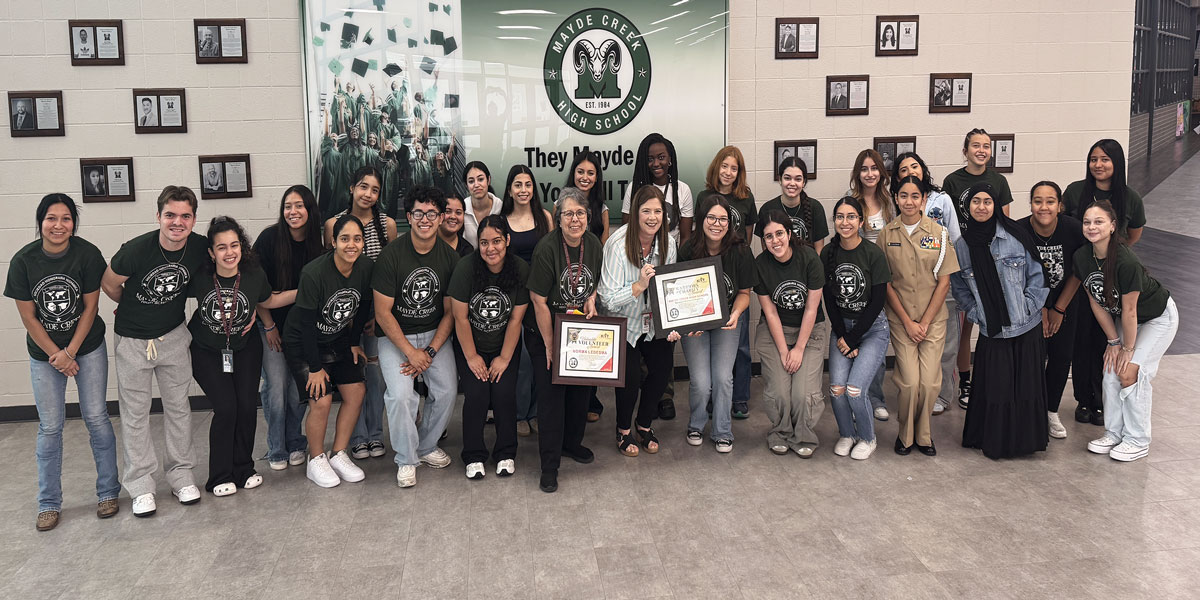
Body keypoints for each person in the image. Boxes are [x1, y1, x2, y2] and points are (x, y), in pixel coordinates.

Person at [6, 194, 118, 531]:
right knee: (50, 426)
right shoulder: (23, 261)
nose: (59, 225)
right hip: (44, 354)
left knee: (96, 417)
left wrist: (71, 352)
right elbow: (29, 318)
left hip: (86, 346)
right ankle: (49, 503)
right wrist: (58, 355)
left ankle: (108, 493)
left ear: (74, 223)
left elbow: (90, 308)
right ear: (40, 222)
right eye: (51, 218)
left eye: (66, 218)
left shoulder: (87, 254)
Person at [101, 186, 207, 517]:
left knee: (179, 408)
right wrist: (133, 308)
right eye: (171, 215)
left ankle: (181, 475)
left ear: (193, 219)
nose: (178, 222)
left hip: (173, 336)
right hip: (132, 340)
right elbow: (108, 284)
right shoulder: (136, 250)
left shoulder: (200, 247)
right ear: (158, 216)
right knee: (135, 414)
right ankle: (141, 485)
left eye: (185, 216)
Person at [951, 184, 1050, 459]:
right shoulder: (962, 246)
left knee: (1025, 386)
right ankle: (996, 441)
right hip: (991, 330)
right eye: (975, 202)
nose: (981, 207)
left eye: (987, 201)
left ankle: (1024, 443)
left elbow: (1038, 276)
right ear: (967, 207)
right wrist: (976, 313)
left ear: (996, 205)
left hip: (1026, 326)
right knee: (997, 387)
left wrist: (1029, 307)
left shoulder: (1016, 235)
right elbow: (958, 287)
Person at [372, 186, 460, 488]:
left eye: (432, 213)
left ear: (440, 218)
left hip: (435, 335)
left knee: (447, 390)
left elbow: (450, 313)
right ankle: (406, 458)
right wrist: (411, 352)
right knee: (400, 396)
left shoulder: (449, 258)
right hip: (396, 337)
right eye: (419, 213)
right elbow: (383, 313)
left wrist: (430, 352)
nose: (425, 219)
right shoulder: (391, 256)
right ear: (409, 217)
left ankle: (424, 446)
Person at [1076, 201, 1176, 462]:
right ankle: (1114, 433)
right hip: (1127, 320)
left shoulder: (1126, 261)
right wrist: (1113, 342)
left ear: (1112, 226)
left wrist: (1128, 349)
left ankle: (1137, 439)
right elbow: (1096, 303)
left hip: (1156, 318)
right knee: (1111, 369)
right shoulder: (1082, 257)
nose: (1092, 227)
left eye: (1098, 222)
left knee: (1131, 371)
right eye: (1087, 222)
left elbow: (1130, 310)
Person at [188, 217, 282, 494]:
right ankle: (219, 476)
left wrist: (306, 291)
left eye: (234, 245)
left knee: (245, 407)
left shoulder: (253, 274)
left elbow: (269, 300)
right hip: (206, 350)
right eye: (221, 247)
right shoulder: (200, 275)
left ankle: (244, 468)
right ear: (211, 252)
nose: (229, 253)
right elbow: (171, 299)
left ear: (242, 247)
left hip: (245, 349)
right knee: (226, 407)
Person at [283, 214, 373, 487]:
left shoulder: (366, 267)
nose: (351, 245)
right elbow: (307, 324)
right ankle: (316, 458)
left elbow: (363, 307)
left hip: (338, 338)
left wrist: (354, 341)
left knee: (356, 392)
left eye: (357, 239)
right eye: (344, 238)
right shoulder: (314, 273)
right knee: (321, 399)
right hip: (302, 342)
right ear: (333, 242)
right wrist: (315, 367)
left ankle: (339, 453)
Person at [1063, 139, 1147, 426]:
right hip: (1081, 274)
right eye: (1093, 159)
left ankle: (1101, 402)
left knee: (1105, 340)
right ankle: (1083, 400)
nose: (1098, 165)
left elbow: (1133, 235)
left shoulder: (1130, 197)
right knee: (1082, 339)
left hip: (1112, 280)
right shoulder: (1075, 191)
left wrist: (1110, 250)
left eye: (1105, 159)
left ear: (1117, 163)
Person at [527, 187, 603, 493]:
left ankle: (571, 444)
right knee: (552, 398)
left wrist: (592, 300)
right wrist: (549, 345)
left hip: (579, 331)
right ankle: (549, 465)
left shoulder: (594, 244)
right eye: (568, 214)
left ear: (588, 216)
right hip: (545, 330)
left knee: (580, 393)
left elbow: (594, 282)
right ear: (558, 219)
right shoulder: (547, 248)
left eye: (580, 213)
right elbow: (538, 299)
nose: (575, 220)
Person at [877, 176, 960, 457]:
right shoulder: (887, 235)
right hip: (901, 320)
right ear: (895, 199)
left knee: (930, 383)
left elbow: (944, 282)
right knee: (910, 382)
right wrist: (909, 322)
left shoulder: (939, 234)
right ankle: (905, 434)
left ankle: (924, 436)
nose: (909, 201)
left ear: (924, 199)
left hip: (933, 320)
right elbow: (885, 283)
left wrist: (924, 322)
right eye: (903, 196)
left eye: (915, 196)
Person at [598, 185, 678, 457]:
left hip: (654, 322)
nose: (653, 217)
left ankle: (643, 424)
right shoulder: (617, 245)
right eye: (646, 211)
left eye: (658, 211)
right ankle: (622, 430)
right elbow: (606, 299)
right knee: (630, 379)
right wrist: (638, 285)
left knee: (662, 368)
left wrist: (675, 323)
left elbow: (671, 290)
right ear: (635, 212)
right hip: (624, 323)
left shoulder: (669, 243)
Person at [449, 215, 530, 478]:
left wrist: (504, 358)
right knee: (477, 395)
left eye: (496, 241)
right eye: (484, 243)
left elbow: (516, 318)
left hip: (504, 344)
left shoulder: (519, 268)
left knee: (504, 394)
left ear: (507, 240)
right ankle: (473, 455)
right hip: (470, 344)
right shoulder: (465, 268)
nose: (490, 248)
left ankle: (506, 452)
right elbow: (459, 317)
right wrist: (472, 357)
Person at [324, 166, 395, 461]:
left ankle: (375, 434)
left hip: (377, 316)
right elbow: (329, 273)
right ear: (351, 188)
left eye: (375, 190)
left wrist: (379, 316)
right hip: (344, 317)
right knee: (353, 377)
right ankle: (357, 437)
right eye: (363, 187)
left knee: (376, 377)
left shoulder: (387, 224)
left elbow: (391, 272)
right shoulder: (333, 224)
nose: (368, 194)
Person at [941, 128, 1014, 412]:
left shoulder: (998, 181)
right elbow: (946, 221)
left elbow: (1005, 223)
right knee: (963, 323)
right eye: (975, 145)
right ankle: (965, 381)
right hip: (962, 258)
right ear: (965, 150)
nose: (981, 150)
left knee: (987, 321)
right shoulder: (953, 181)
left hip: (991, 259)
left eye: (986, 146)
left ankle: (989, 379)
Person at [253, 185, 324, 470]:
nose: (292, 212)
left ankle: (296, 441)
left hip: (303, 330)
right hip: (271, 325)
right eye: (287, 207)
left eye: (299, 206)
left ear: (310, 210)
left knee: (298, 390)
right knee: (276, 388)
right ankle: (277, 448)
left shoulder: (317, 243)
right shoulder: (269, 239)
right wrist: (269, 326)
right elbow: (258, 291)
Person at [678, 196, 754, 453]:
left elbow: (744, 292)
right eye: (711, 217)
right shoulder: (688, 250)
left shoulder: (741, 250)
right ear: (701, 220)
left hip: (727, 322)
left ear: (729, 222)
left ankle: (722, 430)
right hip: (695, 323)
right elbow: (679, 291)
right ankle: (696, 424)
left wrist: (736, 313)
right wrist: (687, 320)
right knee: (701, 381)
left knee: (723, 377)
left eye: (723, 219)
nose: (717, 223)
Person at [891, 152, 962, 417]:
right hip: (908, 287)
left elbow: (955, 238)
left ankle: (942, 394)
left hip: (942, 282)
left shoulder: (941, 199)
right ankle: (914, 394)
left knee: (946, 344)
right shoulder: (897, 204)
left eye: (915, 165)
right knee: (911, 344)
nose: (911, 170)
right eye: (904, 168)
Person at [821, 197, 891, 460]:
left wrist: (853, 338)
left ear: (861, 221)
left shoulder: (873, 254)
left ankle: (867, 437)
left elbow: (878, 301)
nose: (845, 222)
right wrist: (842, 335)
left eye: (851, 217)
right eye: (840, 216)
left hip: (872, 329)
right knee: (837, 388)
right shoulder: (828, 253)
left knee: (855, 389)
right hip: (842, 330)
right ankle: (847, 434)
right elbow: (829, 299)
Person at [1016, 181, 1086, 439]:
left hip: (1066, 302)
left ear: (1059, 205)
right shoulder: (1019, 230)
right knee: (1031, 358)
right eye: (1037, 201)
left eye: (1049, 201)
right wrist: (1041, 309)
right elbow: (1017, 274)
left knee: (1060, 356)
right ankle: (1029, 411)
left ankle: (1050, 410)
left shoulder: (1073, 230)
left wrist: (1058, 308)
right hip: (1028, 304)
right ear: (1031, 203)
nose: (1043, 207)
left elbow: (1079, 270)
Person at [754, 210, 826, 457]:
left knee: (803, 392)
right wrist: (785, 350)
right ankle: (780, 432)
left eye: (779, 234)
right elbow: (770, 312)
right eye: (768, 237)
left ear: (789, 233)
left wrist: (799, 349)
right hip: (775, 332)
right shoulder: (761, 265)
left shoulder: (809, 259)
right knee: (781, 391)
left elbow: (811, 308)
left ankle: (804, 434)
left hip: (810, 330)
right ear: (763, 240)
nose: (775, 241)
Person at [696, 146, 757, 419]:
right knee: (711, 342)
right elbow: (698, 235)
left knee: (740, 342)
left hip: (736, 269)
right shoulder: (704, 196)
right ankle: (711, 399)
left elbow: (747, 235)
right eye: (724, 166)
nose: (728, 172)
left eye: (734, 168)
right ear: (716, 166)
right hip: (707, 271)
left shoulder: (746, 198)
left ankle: (740, 397)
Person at [501, 165, 553, 436]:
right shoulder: (502, 218)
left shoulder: (544, 217)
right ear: (509, 189)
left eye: (528, 184)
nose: (523, 190)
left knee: (542, 355)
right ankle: (520, 414)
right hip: (514, 296)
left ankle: (536, 411)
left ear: (534, 188)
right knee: (519, 360)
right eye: (518, 184)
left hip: (542, 298)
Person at [848, 148, 894, 421]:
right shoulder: (852, 202)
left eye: (874, 168)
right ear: (858, 174)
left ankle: (875, 396)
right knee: (860, 335)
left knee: (877, 340)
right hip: (860, 280)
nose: (869, 174)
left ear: (881, 172)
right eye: (864, 169)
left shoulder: (891, 202)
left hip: (886, 278)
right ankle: (858, 396)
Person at [621, 133, 694, 244]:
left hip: (671, 257)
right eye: (650, 159)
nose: (656, 163)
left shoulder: (682, 190)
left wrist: (678, 261)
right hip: (640, 255)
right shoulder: (635, 188)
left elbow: (685, 237)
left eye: (661, 158)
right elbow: (626, 232)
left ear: (670, 159)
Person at [757, 157, 829, 252]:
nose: (792, 183)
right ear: (780, 180)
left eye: (798, 179)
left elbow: (819, 251)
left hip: (808, 266)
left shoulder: (816, 208)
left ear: (804, 182)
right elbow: (766, 250)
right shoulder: (767, 209)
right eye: (787, 178)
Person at [565, 150, 611, 244]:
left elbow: (604, 247)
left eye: (590, 173)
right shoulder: (559, 205)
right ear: (573, 173)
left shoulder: (602, 210)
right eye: (580, 172)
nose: (585, 177)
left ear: (596, 177)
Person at [462, 161, 503, 248]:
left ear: (488, 180)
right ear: (466, 185)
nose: (476, 185)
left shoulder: (500, 206)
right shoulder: (462, 208)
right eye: (471, 181)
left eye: (480, 179)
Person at [439, 192, 474, 258]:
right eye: (448, 211)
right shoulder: (427, 242)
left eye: (458, 213)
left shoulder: (467, 250)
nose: (453, 216)